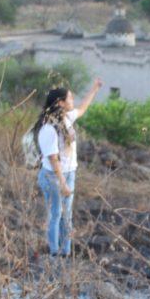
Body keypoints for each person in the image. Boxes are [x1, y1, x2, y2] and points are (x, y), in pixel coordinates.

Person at [33, 79, 103, 257]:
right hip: (53, 176)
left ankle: (66, 252)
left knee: (67, 215)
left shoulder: (66, 118)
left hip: (69, 173)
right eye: (70, 98)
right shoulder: (48, 128)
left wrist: (94, 89)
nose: (73, 101)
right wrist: (63, 183)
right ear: (60, 103)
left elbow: (82, 108)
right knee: (56, 213)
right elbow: (53, 159)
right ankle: (54, 254)